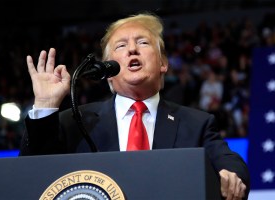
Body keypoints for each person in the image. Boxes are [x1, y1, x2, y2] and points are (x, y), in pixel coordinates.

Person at [20, 13, 250, 200]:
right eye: (121, 46)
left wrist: (230, 175)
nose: (132, 49)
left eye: (142, 42)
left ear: (163, 63)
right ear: (108, 72)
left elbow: (231, 164)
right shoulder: (76, 121)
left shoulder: (196, 123)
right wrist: (46, 105)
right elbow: (31, 173)